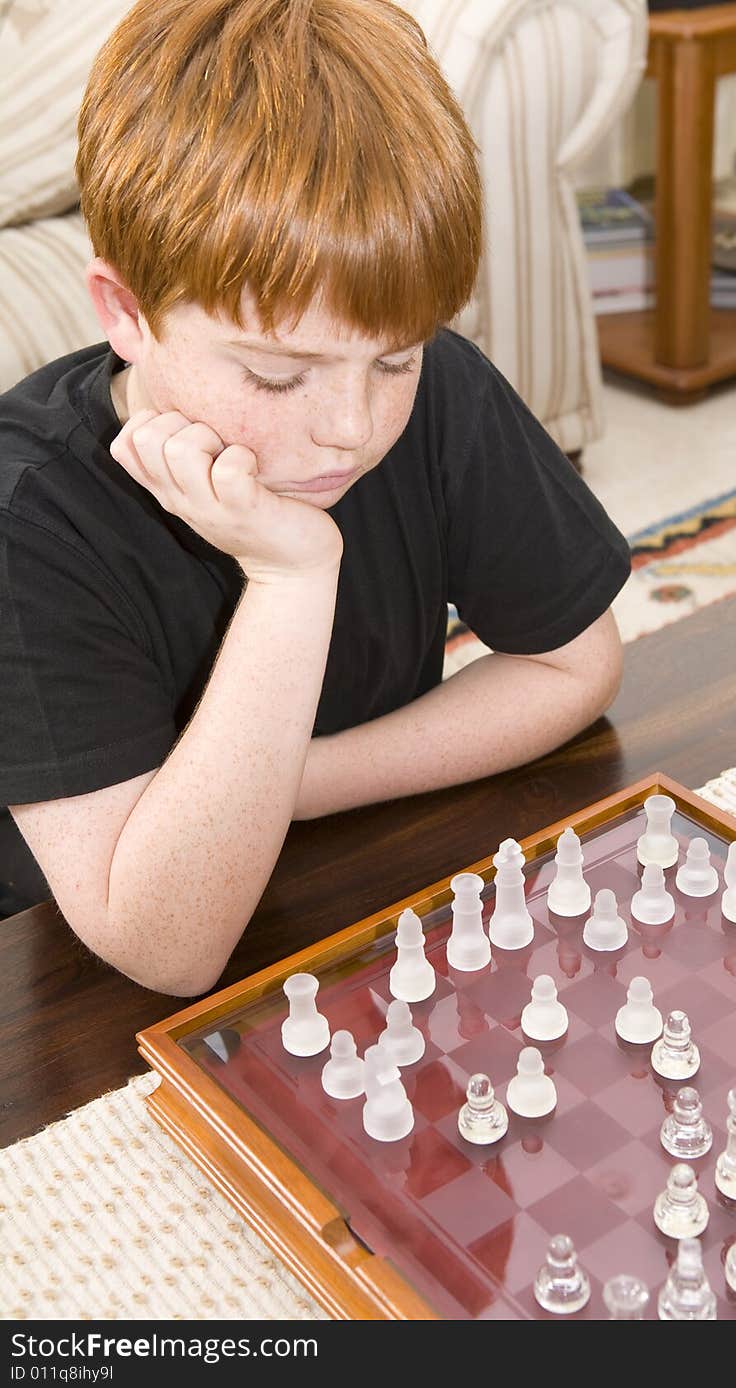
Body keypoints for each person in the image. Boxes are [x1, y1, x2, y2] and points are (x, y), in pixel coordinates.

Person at [0, 0, 630, 996]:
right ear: (125, 310)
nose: (350, 425)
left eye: (396, 356)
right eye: (279, 377)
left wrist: (293, 785)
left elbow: (571, 662)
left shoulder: (439, 393)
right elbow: (165, 947)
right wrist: (291, 576)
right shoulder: (27, 521)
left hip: (358, 915)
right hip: (73, 1005)